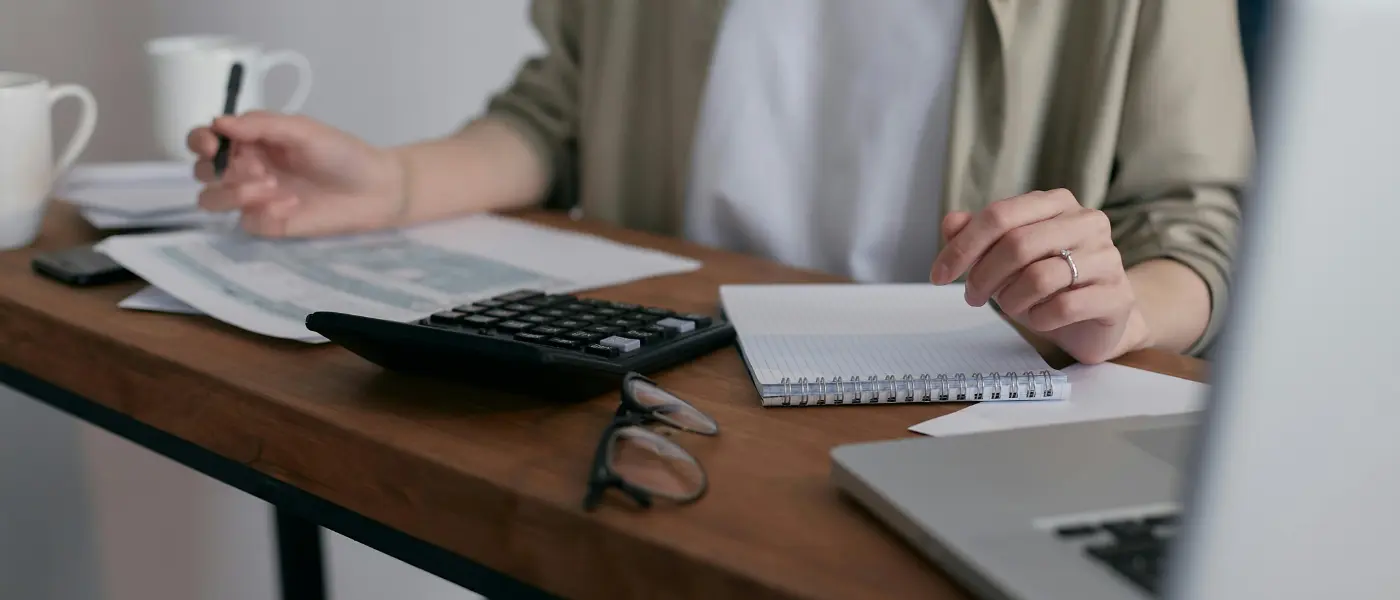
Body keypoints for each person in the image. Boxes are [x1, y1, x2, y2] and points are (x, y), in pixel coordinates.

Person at [186, 0, 1253, 365]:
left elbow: (1198, 227)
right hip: (668, 383)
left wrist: (1118, 311)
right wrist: (388, 183)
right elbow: (559, 118)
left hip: (952, 403)